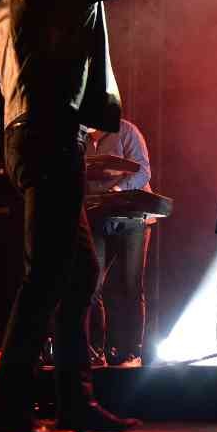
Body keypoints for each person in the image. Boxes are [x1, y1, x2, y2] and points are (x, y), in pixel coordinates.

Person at [0, 0, 206, 432]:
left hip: (37, 137)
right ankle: (9, 410)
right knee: (46, 278)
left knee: (79, 272)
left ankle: (74, 405)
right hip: (48, 138)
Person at [85, 120, 154, 367]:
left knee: (130, 285)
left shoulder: (127, 131)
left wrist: (118, 189)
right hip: (99, 219)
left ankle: (131, 353)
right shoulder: (79, 139)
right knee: (90, 285)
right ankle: (95, 353)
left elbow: (143, 171)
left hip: (132, 217)